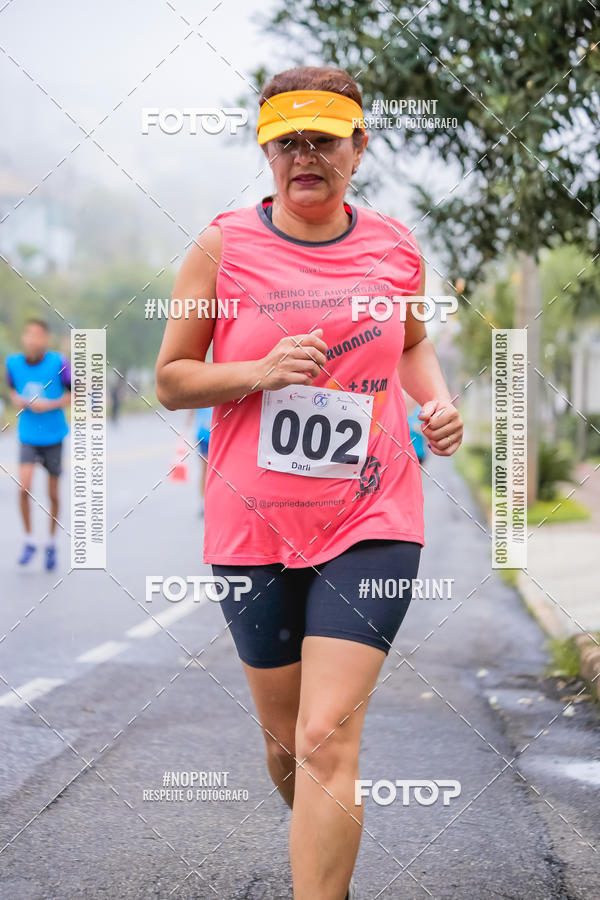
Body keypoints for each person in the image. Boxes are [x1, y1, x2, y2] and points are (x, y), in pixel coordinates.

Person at [156, 66, 463, 900]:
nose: (305, 156)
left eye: (323, 139)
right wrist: (255, 371)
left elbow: (409, 346)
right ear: (266, 150)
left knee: (328, 737)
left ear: (358, 147)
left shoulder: (396, 249)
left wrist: (436, 406)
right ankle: (317, 836)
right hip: (251, 527)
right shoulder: (222, 248)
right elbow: (174, 378)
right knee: (289, 747)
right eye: (286, 141)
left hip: (373, 516)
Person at [5, 319, 71, 571]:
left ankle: (52, 542)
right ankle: (30, 540)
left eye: (38, 335)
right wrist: (17, 400)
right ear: (24, 338)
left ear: (46, 339)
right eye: (29, 335)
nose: (34, 340)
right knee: (24, 488)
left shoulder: (59, 363)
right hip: (28, 435)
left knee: (53, 494)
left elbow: (73, 393)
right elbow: (12, 390)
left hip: (54, 436)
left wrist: (50, 404)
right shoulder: (12, 363)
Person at [186, 406, 213, 516]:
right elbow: (192, 406)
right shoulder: (200, 389)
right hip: (204, 434)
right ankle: (203, 502)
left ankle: (213, 500)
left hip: (220, 432)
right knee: (205, 468)